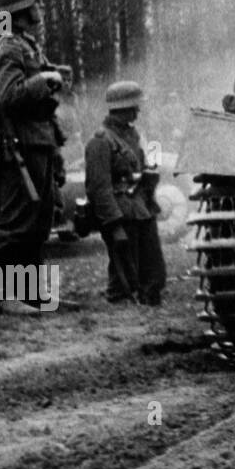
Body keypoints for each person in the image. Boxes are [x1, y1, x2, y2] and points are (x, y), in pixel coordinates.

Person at [0, 0, 66, 313]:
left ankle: (31, 295)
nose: (41, 7)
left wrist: (51, 77)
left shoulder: (27, 44)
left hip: (40, 141)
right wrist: (42, 81)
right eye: (37, 2)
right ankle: (3, 297)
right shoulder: (9, 47)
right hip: (20, 145)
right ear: (20, 10)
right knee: (15, 222)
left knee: (38, 220)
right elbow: (9, 97)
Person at [85, 81, 165, 306]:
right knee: (124, 273)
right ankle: (121, 306)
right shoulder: (100, 141)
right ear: (124, 108)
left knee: (154, 269)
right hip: (122, 213)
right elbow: (98, 188)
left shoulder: (133, 136)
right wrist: (114, 225)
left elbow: (145, 166)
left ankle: (149, 300)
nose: (138, 111)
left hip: (141, 208)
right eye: (135, 107)